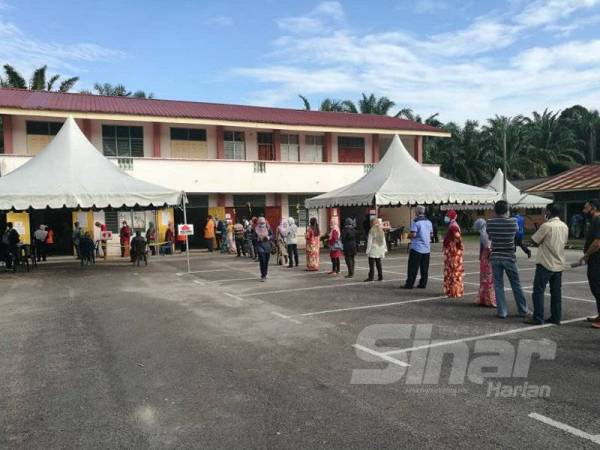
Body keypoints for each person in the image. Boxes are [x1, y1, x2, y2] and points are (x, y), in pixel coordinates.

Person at [524, 204, 568, 325]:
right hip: (558, 263)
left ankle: (538, 317)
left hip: (545, 263)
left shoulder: (547, 226)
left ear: (548, 212)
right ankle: (556, 317)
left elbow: (534, 241)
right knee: (556, 292)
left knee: (538, 291)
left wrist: (538, 228)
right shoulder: (564, 226)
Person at [487, 200, 529, 319]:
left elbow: (490, 236)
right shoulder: (513, 222)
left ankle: (502, 312)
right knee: (516, 284)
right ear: (507, 210)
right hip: (509, 256)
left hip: (495, 256)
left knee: (498, 285)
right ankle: (523, 310)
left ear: (495, 210)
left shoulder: (490, 222)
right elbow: (516, 235)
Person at [580, 199, 600, 328]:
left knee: (598, 288)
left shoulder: (598, 220)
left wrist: (586, 255)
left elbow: (598, 242)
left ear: (593, 208)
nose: (584, 211)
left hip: (597, 260)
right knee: (595, 288)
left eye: (586, 208)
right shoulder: (594, 221)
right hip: (594, 259)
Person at [403, 205, 433, 289]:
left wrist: (408, 235)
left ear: (417, 212)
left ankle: (410, 284)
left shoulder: (416, 221)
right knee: (424, 268)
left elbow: (414, 234)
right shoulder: (429, 222)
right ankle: (423, 283)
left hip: (417, 247)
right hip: (426, 248)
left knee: (413, 268)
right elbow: (431, 235)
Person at [473, 218, 496, 307]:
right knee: (488, 279)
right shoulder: (486, 232)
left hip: (485, 258)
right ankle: (488, 299)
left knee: (485, 279)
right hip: (487, 258)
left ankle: (485, 298)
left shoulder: (483, 234)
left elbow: (487, 247)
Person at [442, 210, 464, 297]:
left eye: (447, 216)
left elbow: (458, 238)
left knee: (454, 271)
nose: (446, 217)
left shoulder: (453, 226)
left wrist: (459, 247)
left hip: (453, 252)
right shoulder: (452, 225)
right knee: (452, 271)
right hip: (452, 251)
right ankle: (451, 290)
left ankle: (455, 291)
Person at [255, 217, 273, 281]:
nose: (262, 224)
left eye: (263, 223)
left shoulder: (268, 228)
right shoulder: (256, 229)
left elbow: (272, 235)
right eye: (261, 223)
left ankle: (265, 274)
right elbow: (253, 237)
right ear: (258, 222)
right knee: (262, 261)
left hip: (267, 246)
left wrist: (268, 237)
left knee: (266, 262)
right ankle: (263, 275)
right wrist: (258, 238)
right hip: (260, 246)